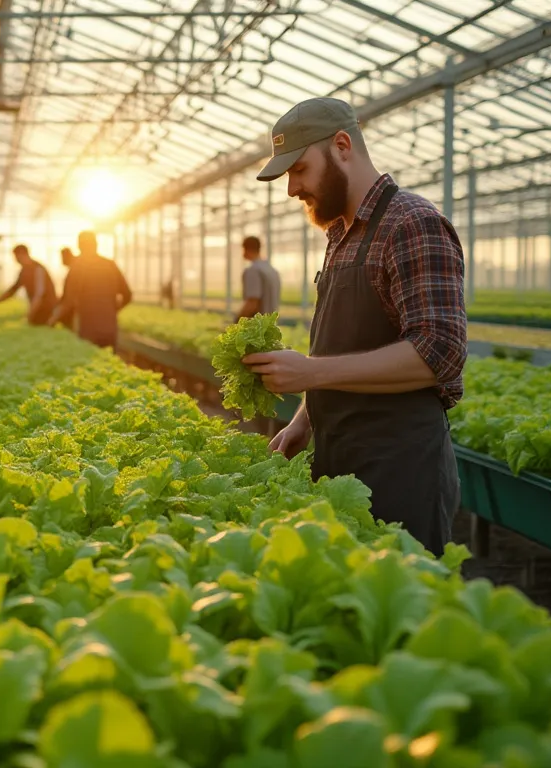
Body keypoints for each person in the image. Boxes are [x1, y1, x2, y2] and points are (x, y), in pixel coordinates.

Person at [243, 96, 466, 556]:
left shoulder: (413, 223)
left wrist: (311, 374)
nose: (291, 189)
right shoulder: (342, 235)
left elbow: (438, 353)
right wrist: (305, 418)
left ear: (342, 145)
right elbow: (345, 346)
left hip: (400, 469)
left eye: (299, 170)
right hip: (341, 459)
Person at [49, 230, 132, 348]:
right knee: (107, 363)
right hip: (109, 327)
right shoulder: (110, 265)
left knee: (89, 360)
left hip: (88, 329)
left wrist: (52, 319)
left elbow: (68, 300)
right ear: (96, 244)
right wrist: (112, 310)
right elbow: (127, 295)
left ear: (79, 246)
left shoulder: (77, 268)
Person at [0, 244, 56, 325]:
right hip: (36, 311)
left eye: (16, 256)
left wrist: (29, 315)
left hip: (46, 311)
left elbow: (39, 295)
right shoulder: (24, 271)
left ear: (22, 254)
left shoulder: (38, 269)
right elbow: (13, 290)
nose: (15, 260)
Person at [234, 236, 281, 321]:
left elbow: (252, 302)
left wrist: (237, 321)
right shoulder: (271, 270)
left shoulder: (253, 271)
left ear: (245, 249)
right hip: (269, 325)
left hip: (256, 327)